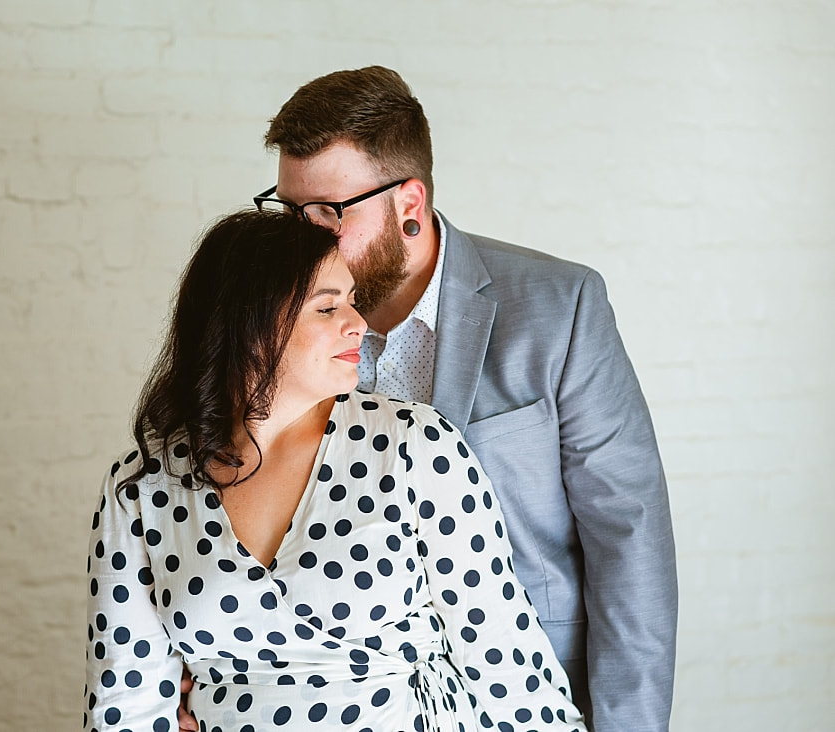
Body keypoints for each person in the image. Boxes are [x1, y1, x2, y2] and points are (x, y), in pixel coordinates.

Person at [252, 67, 677, 732]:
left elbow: (629, 541)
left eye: (329, 213)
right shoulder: (272, 326)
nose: (302, 239)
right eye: (288, 211)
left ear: (410, 205)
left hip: (527, 698)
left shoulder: (560, 308)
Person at [84, 210, 586, 731]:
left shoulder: (413, 444)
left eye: (351, 301)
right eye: (328, 308)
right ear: (249, 327)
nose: (359, 324)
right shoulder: (143, 488)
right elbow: (124, 703)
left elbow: (506, 665)